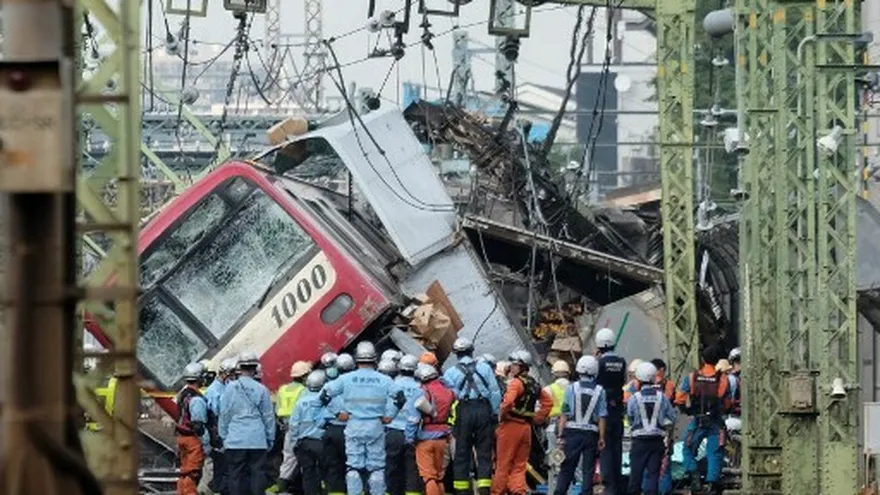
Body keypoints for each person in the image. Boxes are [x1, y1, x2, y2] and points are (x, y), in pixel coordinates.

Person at [321, 341, 402, 495]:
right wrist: (390, 416)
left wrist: (337, 413)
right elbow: (400, 397)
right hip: (375, 426)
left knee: (353, 467)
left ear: (356, 359)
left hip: (354, 425)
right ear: (374, 358)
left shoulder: (346, 379)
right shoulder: (384, 379)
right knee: (377, 468)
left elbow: (324, 395)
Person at [441, 337, 502, 495]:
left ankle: (462, 491)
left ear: (456, 354)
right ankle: (484, 489)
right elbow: (495, 392)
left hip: (464, 410)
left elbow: (450, 397)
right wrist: (494, 413)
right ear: (472, 351)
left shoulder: (450, 372)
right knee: (484, 452)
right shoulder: (485, 367)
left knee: (462, 452)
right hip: (483, 409)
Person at [493, 350, 553, 495]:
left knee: (503, 463)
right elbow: (548, 402)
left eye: (514, 365)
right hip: (526, 429)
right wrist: (538, 418)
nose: (511, 367)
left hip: (510, 427)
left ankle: (498, 492)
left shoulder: (516, 383)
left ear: (522, 366)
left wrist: (502, 416)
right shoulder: (534, 384)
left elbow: (507, 402)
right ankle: (518, 491)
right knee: (519, 466)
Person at [675, 346, 731, 495]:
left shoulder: (692, 377)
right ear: (717, 361)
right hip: (716, 422)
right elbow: (727, 404)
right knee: (715, 453)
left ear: (702, 359)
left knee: (687, 448)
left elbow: (679, 399)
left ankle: (694, 478)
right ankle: (712, 485)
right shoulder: (723, 379)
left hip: (697, 421)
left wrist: (688, 411)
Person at [219, 351, 276, 495]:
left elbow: (224, 414)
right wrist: (270, 438)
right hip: (257, 439)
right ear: (255, 368)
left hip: (235, 439)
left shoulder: (230, 388)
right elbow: (268, 417)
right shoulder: (262, 390)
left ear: (240, 367)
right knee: (258, 474)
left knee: (235, 475)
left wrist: (224, 436)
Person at [554, 355, 607, 495]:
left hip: (572, 433)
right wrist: (602, 438)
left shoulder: (571, 388)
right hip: (591, 434)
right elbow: (602, 416)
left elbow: (564, 414)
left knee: (567, 467)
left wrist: (560, 435)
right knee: (588, 470)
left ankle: (560, 492)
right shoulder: (600, 391)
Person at [627, 362, 676, 495]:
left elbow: (630, 417)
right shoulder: (662, 397)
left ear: (638, 379)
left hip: (639, 441)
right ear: (654, 378)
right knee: (653, 476)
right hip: (656, 441)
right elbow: (672, 417)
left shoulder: (634, 398)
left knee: (636, 475)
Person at [413, 363, 455, 495]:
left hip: (425, 438)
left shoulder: (423, 392)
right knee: (439, 477)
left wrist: (410, 437)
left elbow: (413, 419)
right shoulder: (448, 392)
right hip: (444, 438)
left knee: (429, 477)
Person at [385, 355, 425, 495]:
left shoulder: (392, 385)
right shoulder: (420, 388)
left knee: (391, 469)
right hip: (413, 433)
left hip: (393, 432)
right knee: (412, 470)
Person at [594, 327, 627, 494]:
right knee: (617, 450)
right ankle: (619, 487)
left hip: (603, 412)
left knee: (605, 449)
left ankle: (609, 488)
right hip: (618, 411)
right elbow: (623, 382)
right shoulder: (622, 362)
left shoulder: (598, 363)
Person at [322, 352, 356, 495]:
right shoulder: (357, 385)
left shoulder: (330, 385)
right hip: (353, 429)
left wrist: (335, 413)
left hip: (332, 429)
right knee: (354, 466)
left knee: (334, 468)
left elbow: (321, 403)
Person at [288, 370, 328, 495]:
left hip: (304, 442)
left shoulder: (301, 402)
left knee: (307, 473)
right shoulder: (326, 401)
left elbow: (293, 424)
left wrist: (294, 442)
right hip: (322, 442)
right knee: (326, 472)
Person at [277, 361, 313, 493]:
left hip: (286, 427)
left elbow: (278, 409)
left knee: (288, 457)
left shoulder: (283, 389)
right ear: (304, 376)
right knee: (305, 459)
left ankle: (283, 486)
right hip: (301, 427)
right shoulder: (304, 391)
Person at [202, 357, 236, 495]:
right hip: (218, 434)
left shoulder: (225, 388)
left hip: (226, 431)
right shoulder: (214, 391)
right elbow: (217, 413)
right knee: (219, 467)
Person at [176, 362, 209, 495]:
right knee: (193, 472)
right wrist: (207, 443)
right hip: (193, 440)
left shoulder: (182, 394)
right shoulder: (197, 399)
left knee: (184, 471)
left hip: (182, 437)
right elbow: (198, 425)